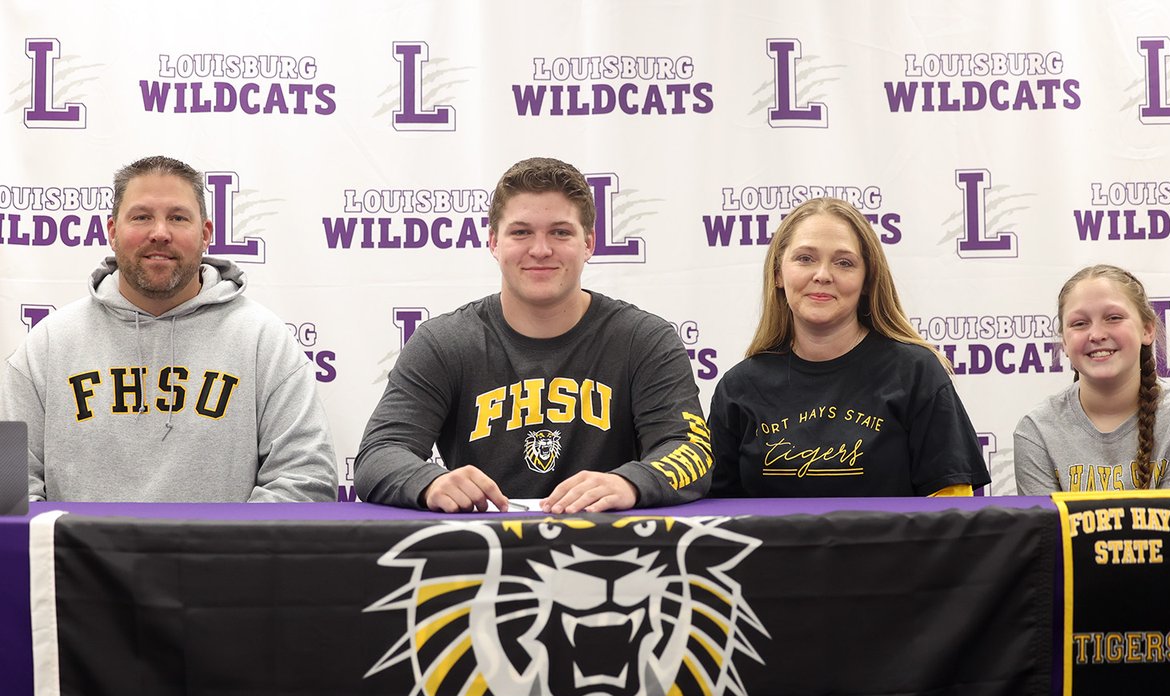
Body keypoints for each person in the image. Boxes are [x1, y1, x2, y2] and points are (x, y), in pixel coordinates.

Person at [355, 156, 711, 513]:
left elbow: (689, 449)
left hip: (609, 546)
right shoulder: (444, 343)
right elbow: (379, 453)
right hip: (478, 549)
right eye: (521, 232)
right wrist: (428, 482)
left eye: (560, 232)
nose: (540, 250)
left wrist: (631, 482)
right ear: (494, 242)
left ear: (589, 243)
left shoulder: (644, 340)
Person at [0, 155, 337, 502]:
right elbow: (9, 488)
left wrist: (222, 552)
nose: (160, 233)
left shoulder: (263, 342)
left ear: (205, 234)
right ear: (112, 231)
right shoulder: (47, 346)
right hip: (82, 557)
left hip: (222, 557)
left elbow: (305, 476)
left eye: (177, 218)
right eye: (142, 217)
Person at [708, 198, 989, 497]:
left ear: (867, 279)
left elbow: (954, 518)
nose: (823, 275)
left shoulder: (917, 373)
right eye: (805, 258)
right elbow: (712, 519)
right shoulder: (738, 388)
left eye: (844, 262)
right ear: (778, 273)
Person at [1013, 264, 1170, 493]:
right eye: (1080, 323)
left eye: (1113, 317)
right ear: (1064, 343)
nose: (1097, 335)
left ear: (1147, 330)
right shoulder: (1036, 431)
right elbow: (1045, 529)